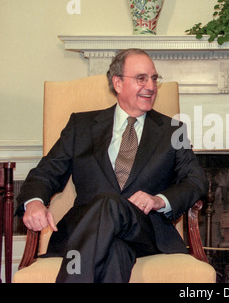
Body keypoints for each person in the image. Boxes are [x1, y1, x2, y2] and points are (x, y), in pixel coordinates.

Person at [16, 49, 208, 283]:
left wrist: (159, 200)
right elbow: (46, 172)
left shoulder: (173, 130)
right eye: (141, 78)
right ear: (117, 83)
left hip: (144, 231)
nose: (151, 86)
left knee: (110, 203)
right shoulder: (82, 125)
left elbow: (196, 180)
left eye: (154, 78)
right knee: (116, 254)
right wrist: (34, 202)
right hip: (90, 230)